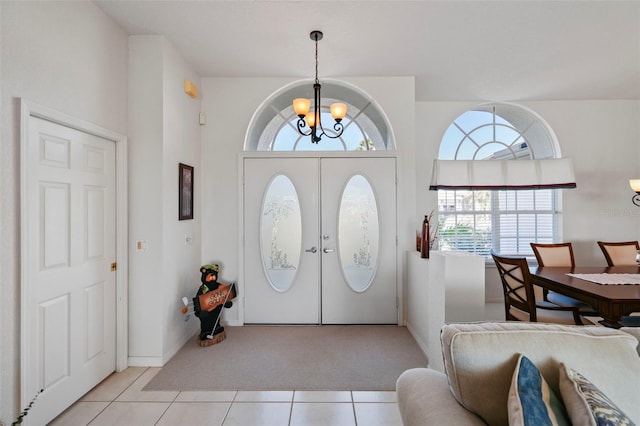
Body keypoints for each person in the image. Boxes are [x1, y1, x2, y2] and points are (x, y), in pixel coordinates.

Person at [193, 263, 236, 346]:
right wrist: (199, 312)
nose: (213, 278)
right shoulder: (203, 289)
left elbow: (225, 294)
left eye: (214, 276)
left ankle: (216, 328)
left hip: (216, 310)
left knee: (215, 319)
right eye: (210, 276)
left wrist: (227, 302)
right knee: (206, 321)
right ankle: (205, 332)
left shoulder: (219, 287)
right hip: (206, 311)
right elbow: (198, 302)